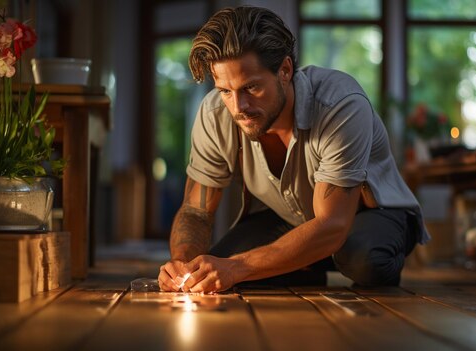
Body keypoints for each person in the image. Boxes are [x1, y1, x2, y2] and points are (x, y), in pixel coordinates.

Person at [158, 6, 429, 293]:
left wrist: (240, 267)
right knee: (214, 267)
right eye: (225, 90)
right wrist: (183, 267)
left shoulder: (340, 104)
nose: (239, 107)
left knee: (364, 259)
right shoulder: (215, 113)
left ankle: (348, 261)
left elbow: (332, 224)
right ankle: (303, 270)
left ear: (285, 70)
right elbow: (195, 212)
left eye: (251, 87)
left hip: (372, 215)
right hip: (290, 217)